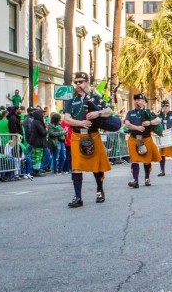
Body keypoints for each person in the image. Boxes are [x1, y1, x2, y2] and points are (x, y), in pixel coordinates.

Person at [62, 72, 113, 207]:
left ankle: (100, 189)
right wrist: (80, 123)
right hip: (77, 136)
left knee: (96, 167)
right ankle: (78, 197)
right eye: (76, 82)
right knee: (76, 167)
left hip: (93, 135)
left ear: (87, 83)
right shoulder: (71, 101)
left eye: (81, 82)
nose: (78, 84)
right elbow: (66, 119)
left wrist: (98, 113)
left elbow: (109, 111)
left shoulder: (95, 98)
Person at [124, 93, 161, 188]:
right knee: (134, 160)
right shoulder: (130, 113)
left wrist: (150, 122)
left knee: (146, 160)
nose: (137, 101)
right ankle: (135, 180)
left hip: (146, 139)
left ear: (143, 102)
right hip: (134, 139)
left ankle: (147, 178)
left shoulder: (148, 112)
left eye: (139, 100)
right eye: (135, 100)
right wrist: (136, 128)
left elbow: (158, 120)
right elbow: (127, 123)